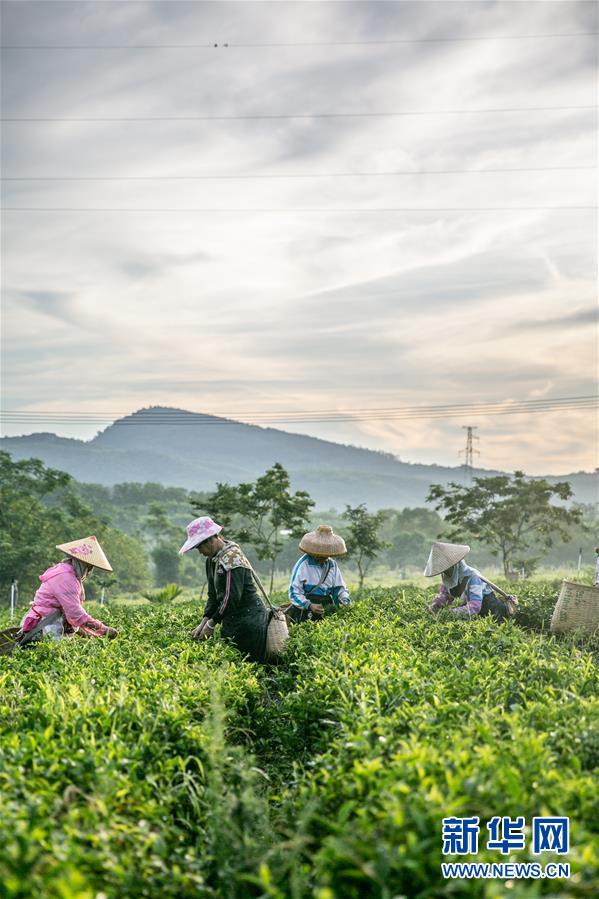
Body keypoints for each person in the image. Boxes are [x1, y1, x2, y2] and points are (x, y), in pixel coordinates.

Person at [180, 516, 269, 663]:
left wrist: (211, 624)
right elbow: (213, 595)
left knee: (251, 665)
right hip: (231, 620)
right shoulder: (212, 560)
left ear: (210, 540)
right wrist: (202, 623)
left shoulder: (232, 559)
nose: (200, 552)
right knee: (233, 664)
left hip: (249, 620)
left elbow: (230, 599)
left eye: (199, 547)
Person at [19, 536, 118, 644]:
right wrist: (103, 630)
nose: (89, 571)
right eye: (88, 567)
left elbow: (69, 613)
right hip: (47, 626)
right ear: (82, 563)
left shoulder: (64, 571)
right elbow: (75, 613)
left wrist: (86, 633)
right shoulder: (66, 578)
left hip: (46, 622)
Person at [424, 541, 514, 622]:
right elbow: (445, 596)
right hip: (477, 614)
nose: (445, 572)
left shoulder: (473, 577)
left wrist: (451, 612)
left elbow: (475, 606)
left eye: (447, 568)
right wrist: (434, 606)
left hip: (492, 613)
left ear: (455, 565)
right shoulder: (449, 579)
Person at [287, 524, 351, 623]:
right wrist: (309, 605)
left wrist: (344, 600)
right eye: (321, 555)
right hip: (304, 611)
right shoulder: (303, 565)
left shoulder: (332, 565)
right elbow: (294, 592)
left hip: (325, 608)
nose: (324, 557)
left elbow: (339, 588)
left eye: (326, 555)